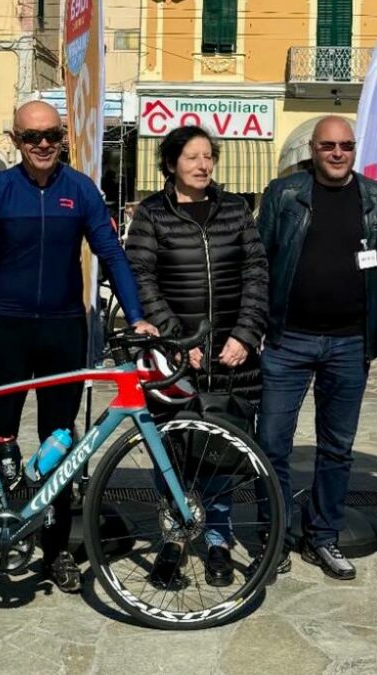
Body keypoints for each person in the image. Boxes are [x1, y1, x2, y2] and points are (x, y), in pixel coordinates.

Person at [0, 100, 156, 593]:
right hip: (8, 330)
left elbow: (112, 255)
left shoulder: (79, 190)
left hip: (63, 330)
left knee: (61, 444)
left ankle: (57, 549)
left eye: (52, 136)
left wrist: (138, 317)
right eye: (32, 137)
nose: (43, 145)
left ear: (62, 138)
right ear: (15, 141)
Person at [124, 125, 268, 587]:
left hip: (231, 357)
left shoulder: (236, 210)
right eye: (192, 157)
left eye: (209, 157)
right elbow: (140, 276)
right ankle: (174, 535)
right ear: (170, 164)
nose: (203, 165)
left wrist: (245, 334)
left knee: (219, 454)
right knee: (172, 449)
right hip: (174, 360)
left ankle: (218, 540)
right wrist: (177, 339)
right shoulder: (151, 214)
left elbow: (256, 274)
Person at [255, 116, 377, 580]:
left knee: (337, 448)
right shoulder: (285, 194)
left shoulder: (376, 199)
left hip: (350, 343)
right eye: (328, 145)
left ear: (355, 148)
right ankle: (276, 535)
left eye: (346, 145)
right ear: (312, 149)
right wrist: (255, 328)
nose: (337, 153)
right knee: (272, 444)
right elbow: (260, 262)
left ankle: (323, 536)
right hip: (287, 340)